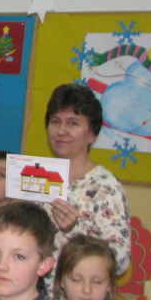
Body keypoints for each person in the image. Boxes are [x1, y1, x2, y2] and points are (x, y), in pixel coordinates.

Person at [44, 83, 131, 275]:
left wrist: (74, 231)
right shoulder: (38, 175)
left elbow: (120, 261)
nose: (61, 131)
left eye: (73, 123)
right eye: (55, 121)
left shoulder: (105, 186)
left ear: (91, 134)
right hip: (33, 291)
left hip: (79, 292)